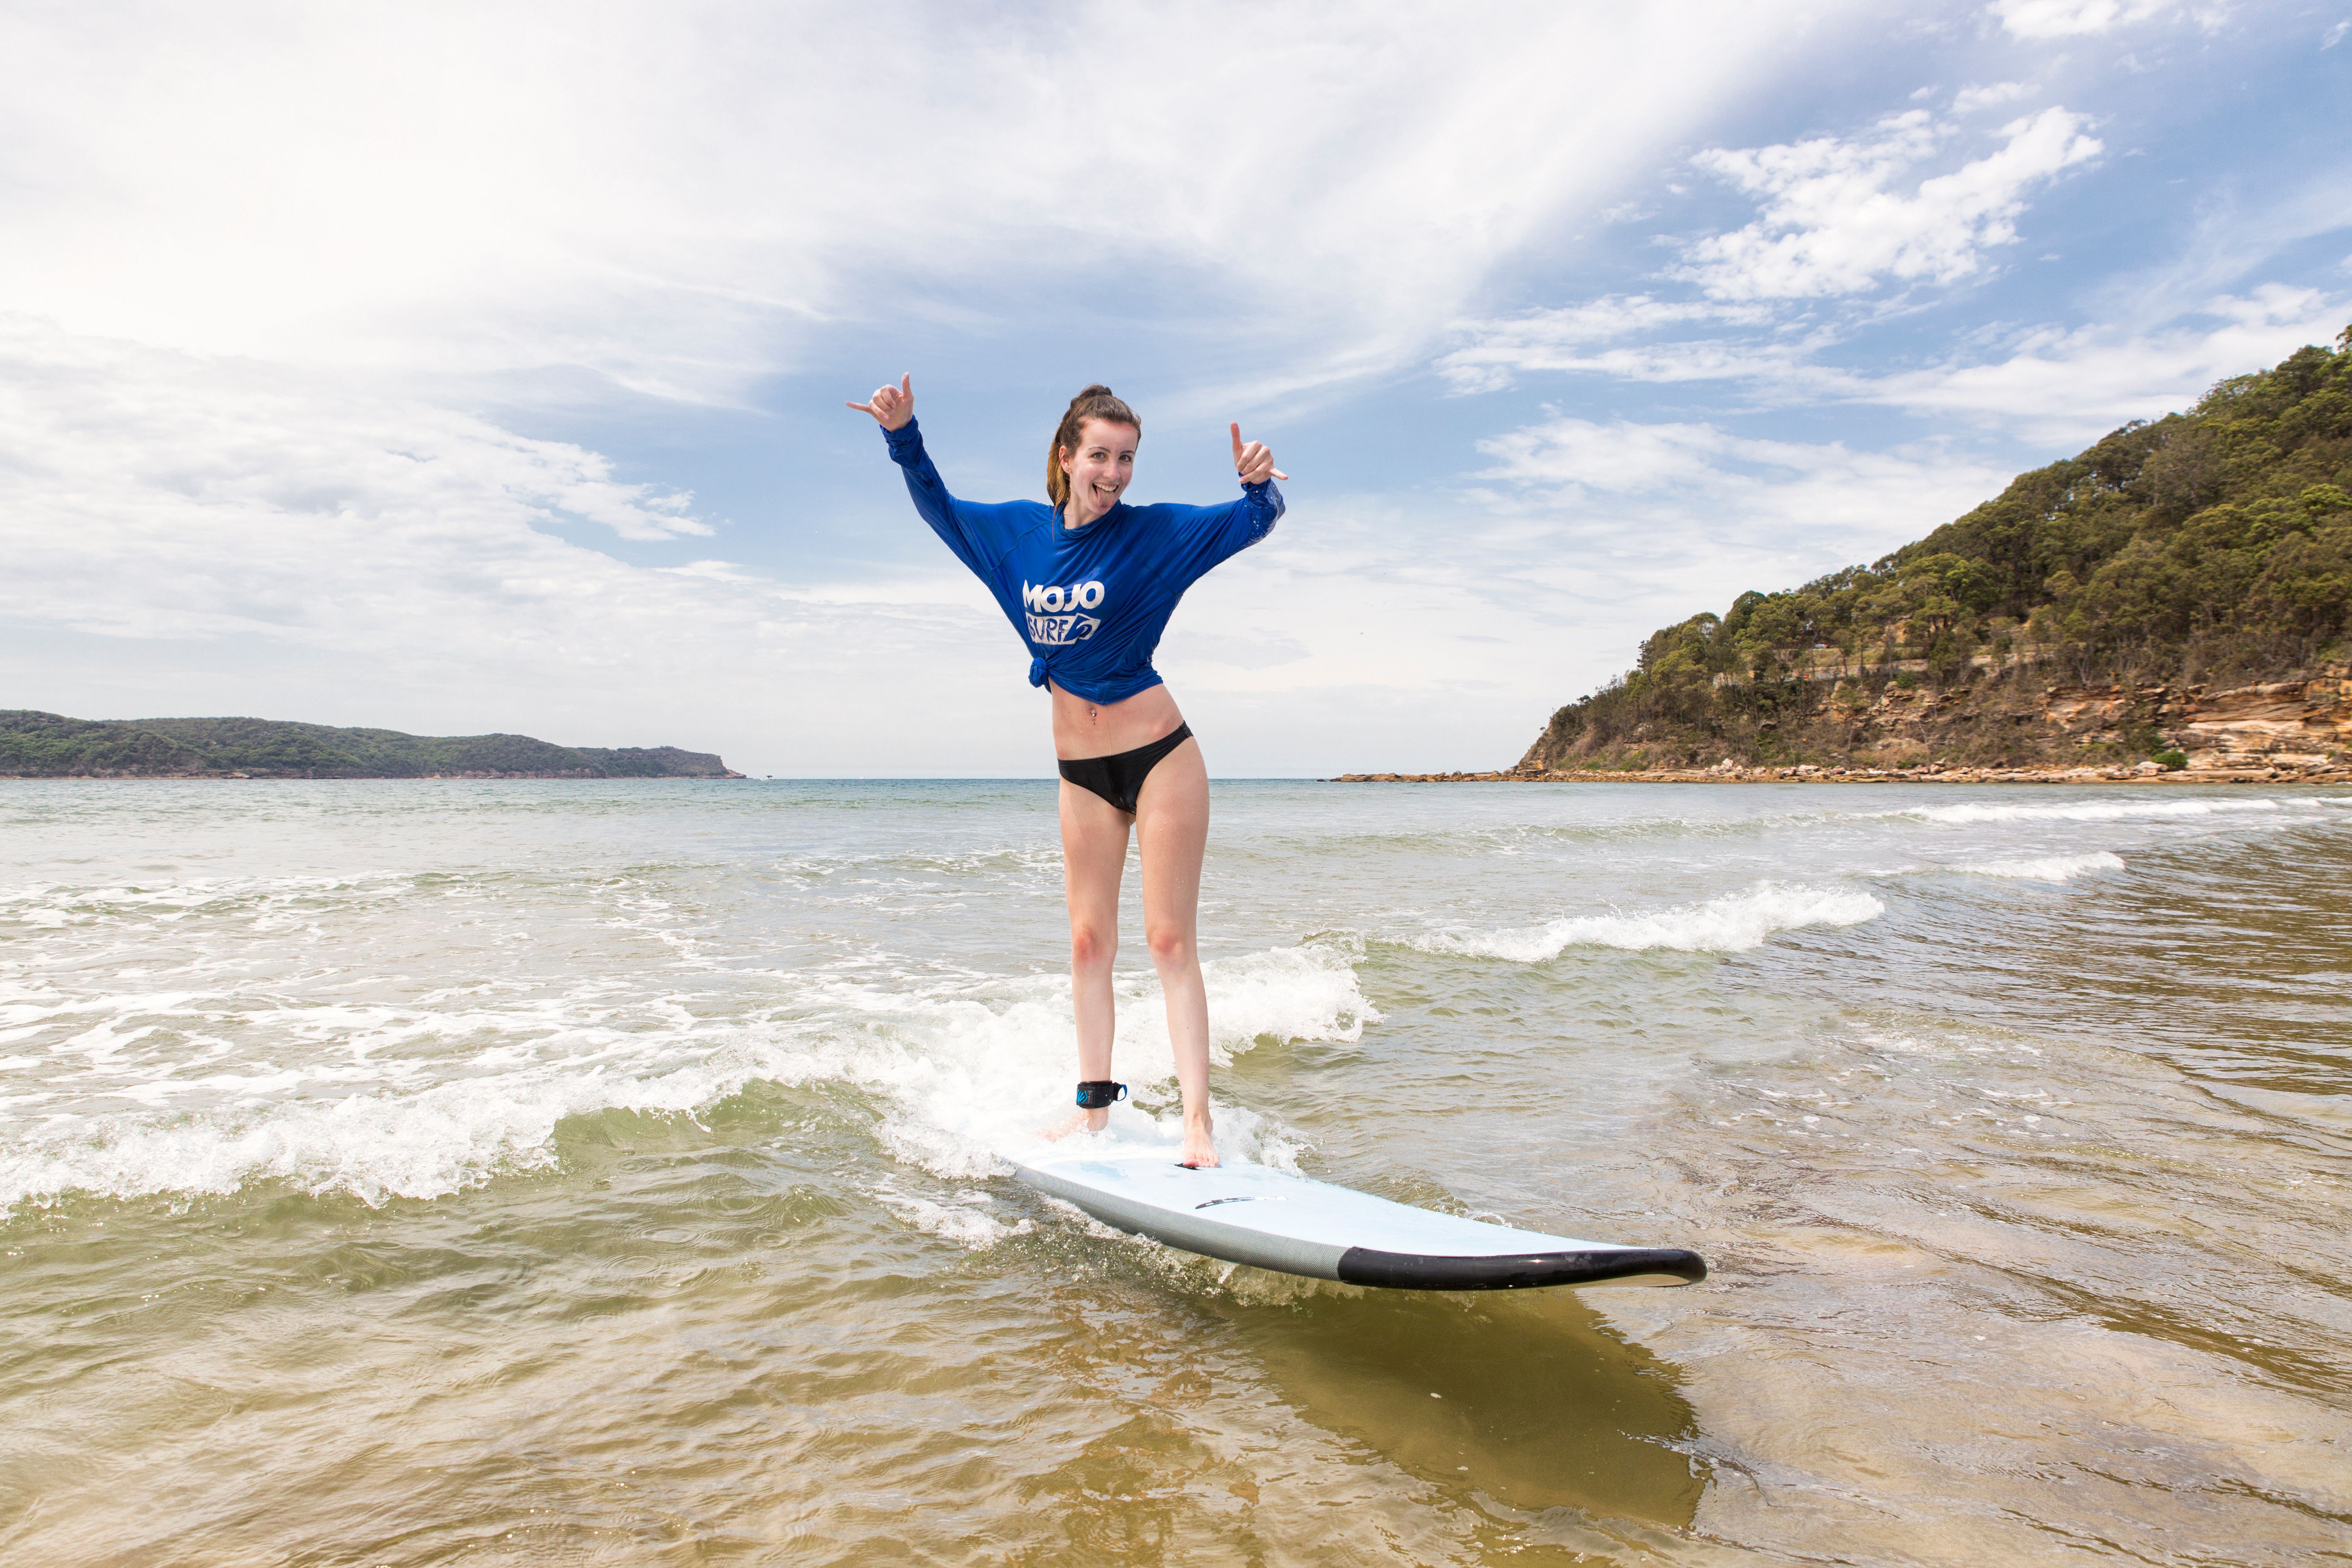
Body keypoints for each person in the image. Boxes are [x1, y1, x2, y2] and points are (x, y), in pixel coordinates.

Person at [847, 376, 1285, 1168]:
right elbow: (938, 507)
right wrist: (902, 436)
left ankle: (1197, 1124)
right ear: (1065, 455)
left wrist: (1258, 486)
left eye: (1126, 459)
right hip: (1079, 774)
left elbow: (1249, 524)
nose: (1114, 473)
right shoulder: (1017, 537)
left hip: (1160, 759)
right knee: (1088, 944)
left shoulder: (1154, 536)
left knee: (1167, 941)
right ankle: (1093, 1114)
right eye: (1100, 456)